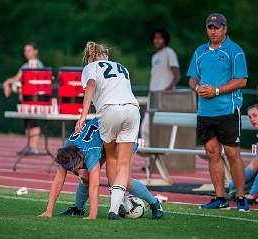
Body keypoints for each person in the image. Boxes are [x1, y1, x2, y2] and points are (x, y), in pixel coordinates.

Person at [75, 42, 163, 220]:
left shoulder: (90, 67)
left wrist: (83, 115)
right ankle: (114, 209)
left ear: (90, 58)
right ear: (105, 55)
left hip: (109, 113)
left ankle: (135, 205)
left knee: (111, 170)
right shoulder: (121, 67)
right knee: (117, 171)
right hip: (131, 111)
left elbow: (91, 86)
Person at [39, 118, 163, 219]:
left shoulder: (90, 153)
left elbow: (94, 185)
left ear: (80, 158)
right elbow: (57, 182)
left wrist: (93, 215)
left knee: (121, 180)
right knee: (85, 178)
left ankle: (154, 203)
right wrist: (49, 210)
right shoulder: (66, 153)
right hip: (102, 141)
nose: (73, 172)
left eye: (73, 168)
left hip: (119, 137)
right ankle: (78, 208)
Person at [187, 13, 249, 211]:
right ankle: (220, 198)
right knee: (212, 153)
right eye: (210, 27)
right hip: (205, 112)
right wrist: (197, 89)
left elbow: (241, 80)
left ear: (225, 28)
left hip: (227, 110)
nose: (213, 31)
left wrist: (216, 91)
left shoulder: (235, 51)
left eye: (217, 27)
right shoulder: (200, 51)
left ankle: (241, 197)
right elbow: (192, 79)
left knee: (232, 153)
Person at [140, 28, 180, 147]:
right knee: (146, 128)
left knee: (162, 128)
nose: (157, 40)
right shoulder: (154, 56)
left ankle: (160, 159)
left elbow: (176, 74)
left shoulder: (169, 52)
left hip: (164, 96)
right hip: (153, 95)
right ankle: (150, 159)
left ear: (165, 39)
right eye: (155, 38)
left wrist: (168, 89)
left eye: (160, 38)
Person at [3, 43, 43, 155]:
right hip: (24, 98)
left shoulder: (37, 65)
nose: (26, 53)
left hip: (33, 99)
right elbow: (17, 78)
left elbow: (33, 80)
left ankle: (34, 147)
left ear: (35, 51)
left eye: (29, 50)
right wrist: (8, 82)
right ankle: (29, 146)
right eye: (25, 51)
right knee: (27, 122)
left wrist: (11, 83)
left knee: (34, 121)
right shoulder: (25, 65)